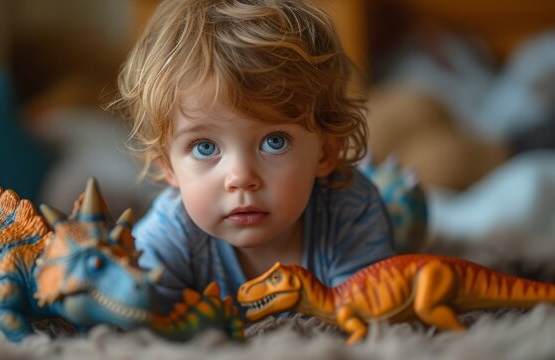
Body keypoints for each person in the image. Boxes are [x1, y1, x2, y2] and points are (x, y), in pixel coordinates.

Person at [111, 0, 394, 310]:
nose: (241, 177)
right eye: (205, 147)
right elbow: (126, 310)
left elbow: (365, 311)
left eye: (274, 141)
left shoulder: (350, 211)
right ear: (168, 167)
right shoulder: (171, 233)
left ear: (326, 151)